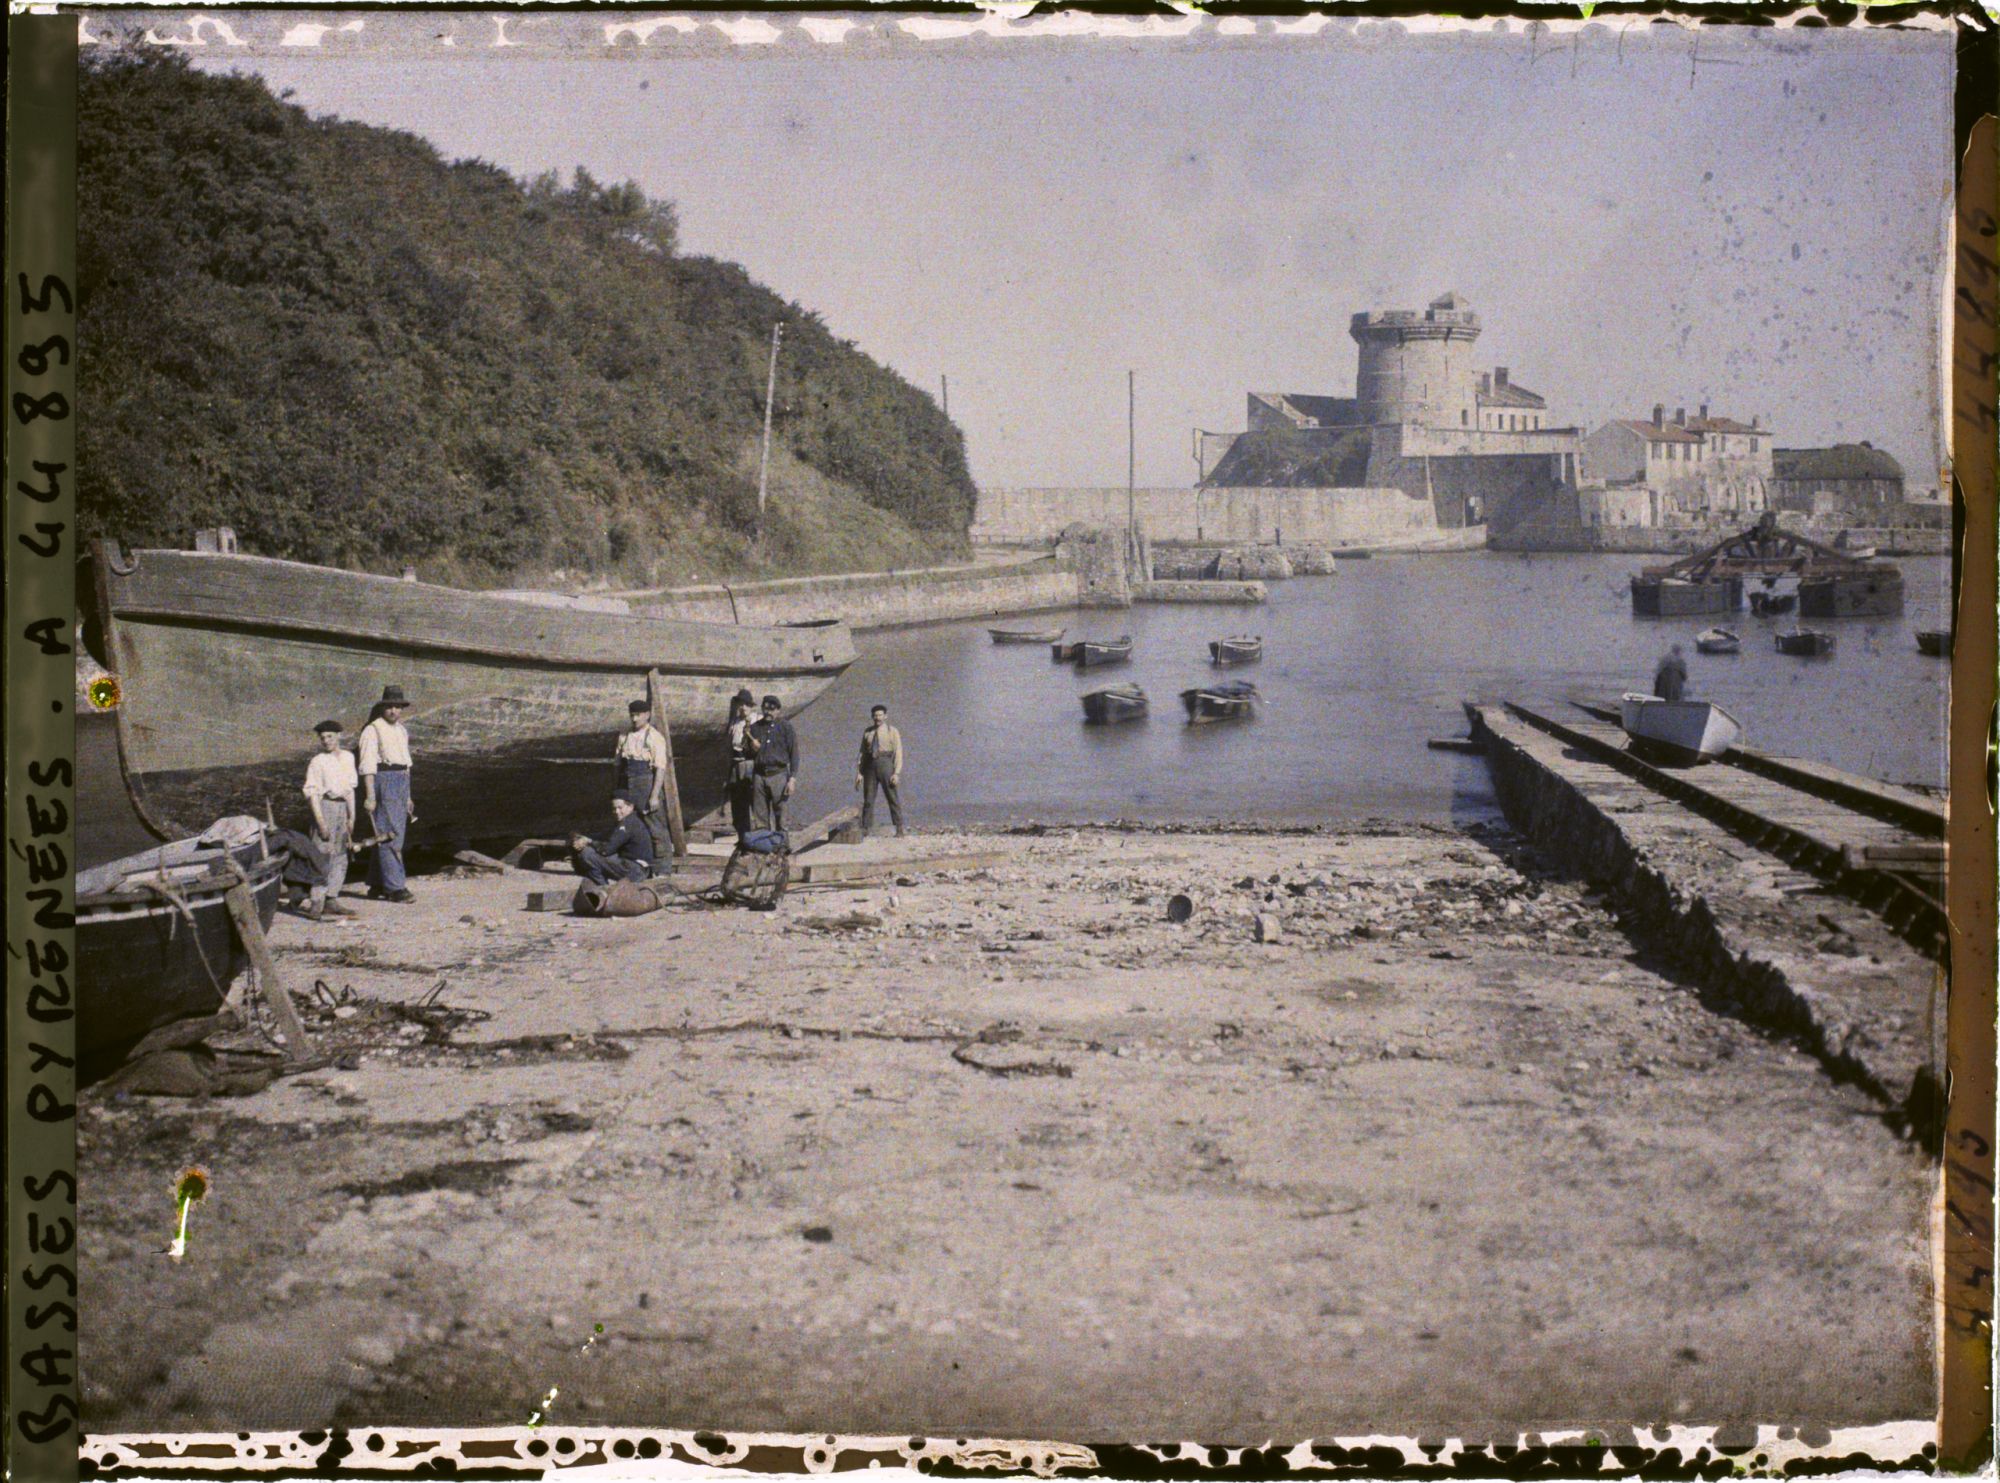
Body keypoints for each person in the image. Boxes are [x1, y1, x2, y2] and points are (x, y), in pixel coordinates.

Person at [358, 683, 417, 903]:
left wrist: (408, 796)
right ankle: (395, 888)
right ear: (383, 708)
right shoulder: (373, 730)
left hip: (401, 781)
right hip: (385, 781)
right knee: (391, 835)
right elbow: (367, 766)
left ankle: (377, 884)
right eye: (390, 707)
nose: (394, 711)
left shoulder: (401, 730)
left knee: (390, 834)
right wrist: (370, 795)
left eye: (398, 707)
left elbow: (406, 765)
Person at [302, 719, 359, 921]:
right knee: (321, 854)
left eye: (330, 736)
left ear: (339, 736)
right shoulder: (317, 761)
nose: (326, 741)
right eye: (323, 737)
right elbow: (313, 794)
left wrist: (352, 817)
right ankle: (316, 901)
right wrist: (321, 823)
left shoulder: (348, 757)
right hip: (325, 807)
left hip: (342, 808)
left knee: (341, 854)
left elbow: (350, 790)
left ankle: (332, 899)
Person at [614, 698, 672, 860]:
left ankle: (662, 868)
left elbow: (660, 768)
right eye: (632, 715)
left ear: (647, 715)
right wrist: (617, 791)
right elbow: (617, 764)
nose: (634, 719)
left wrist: (654, 796)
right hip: (626, 782)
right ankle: (632, 864)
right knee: (627, 824)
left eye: (638, 715)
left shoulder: (655, 737)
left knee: (655, 827)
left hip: (645, 783)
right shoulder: (624, 735)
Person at [570, 793, 656, 885]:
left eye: (620, 808)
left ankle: (603, 890)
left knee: (587, 854)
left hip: (635, 870)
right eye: (614, 808)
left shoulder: (627, 824)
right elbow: (606, 835)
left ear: (630, 807)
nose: (616, 812)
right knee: (592, 857)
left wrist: (589, 841)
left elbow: (606, 850)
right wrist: (584, 836)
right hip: (638, 868)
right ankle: (601, 887)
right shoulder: (631, 820)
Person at [748, 693, 799, 832]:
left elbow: (794, 753)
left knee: (781, 816)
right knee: (760, 818)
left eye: (771, 709)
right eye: (765, 709)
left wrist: (792, 779)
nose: (768, 712)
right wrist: (752, 748)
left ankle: (782, 848)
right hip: (759, 776)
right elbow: (748, 754)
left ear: (778, 710)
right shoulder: (755, 728)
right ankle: (763, 848)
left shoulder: (785, 727)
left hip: (779, 775)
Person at [855, 704, 906, 837]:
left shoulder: (892, 731)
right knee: (868, 798)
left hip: (886, 764)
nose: (878, 718)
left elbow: (898, 752)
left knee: (892, 797)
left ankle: (899, 828)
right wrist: (859, 773)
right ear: (872, 716)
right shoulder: (868, 732)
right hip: (870, 766)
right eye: (875, 715)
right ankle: (865, 828)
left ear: (885, 716)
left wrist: (896, 773)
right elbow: (862, 753)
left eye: (880, 715)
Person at [725, 688, 759, 838]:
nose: (743, 707)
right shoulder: (735, 722)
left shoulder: (758, 720)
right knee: (738, 806)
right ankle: (743, 839)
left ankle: (760, 840)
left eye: (746, 704)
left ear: (751, 706)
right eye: (741, 704)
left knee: (756, 804)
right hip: (736, 765)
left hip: (751, 764)